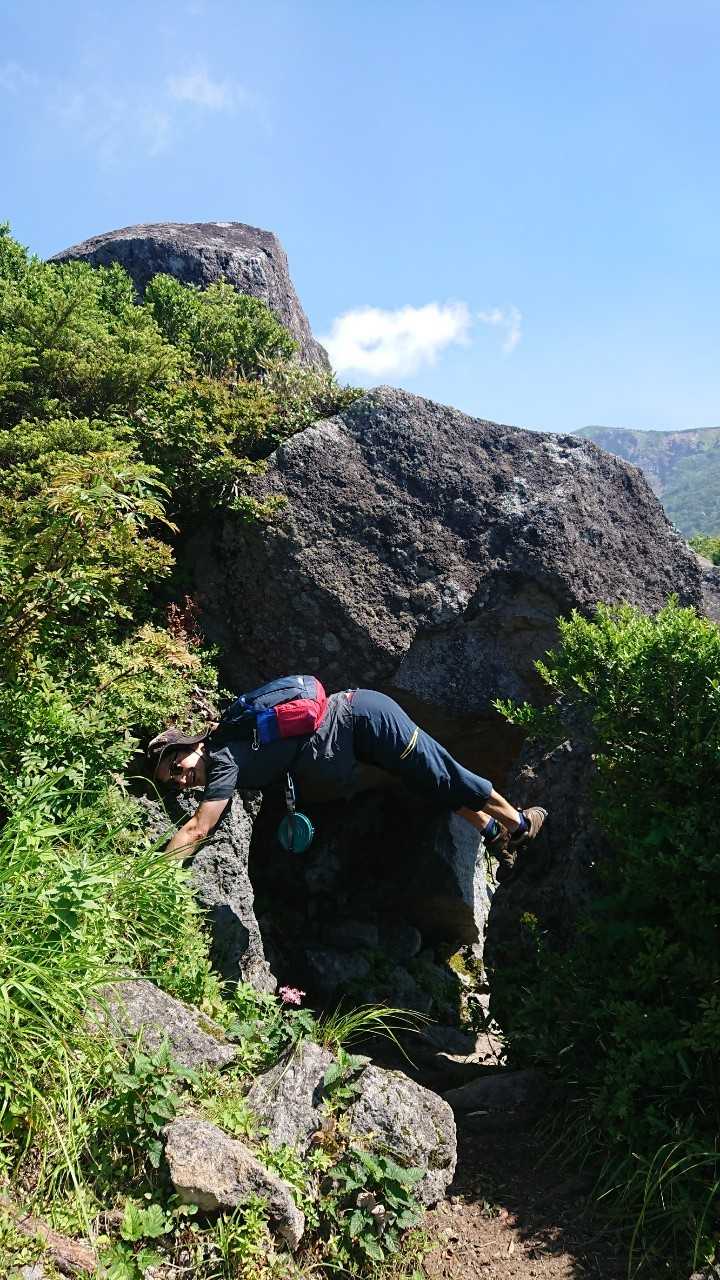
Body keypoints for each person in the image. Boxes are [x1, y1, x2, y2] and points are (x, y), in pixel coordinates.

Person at [147, 686, 547, 875]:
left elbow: (198, 828)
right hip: (360, 738)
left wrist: (151, 877)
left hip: (368, 719)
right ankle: (493, 833)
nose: (182, 780)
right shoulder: (228, 743)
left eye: (176, 767)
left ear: (191, 746)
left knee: (446, 774)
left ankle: (519, 825)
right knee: (429, 783)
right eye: (173, 782)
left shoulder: (222, 759)